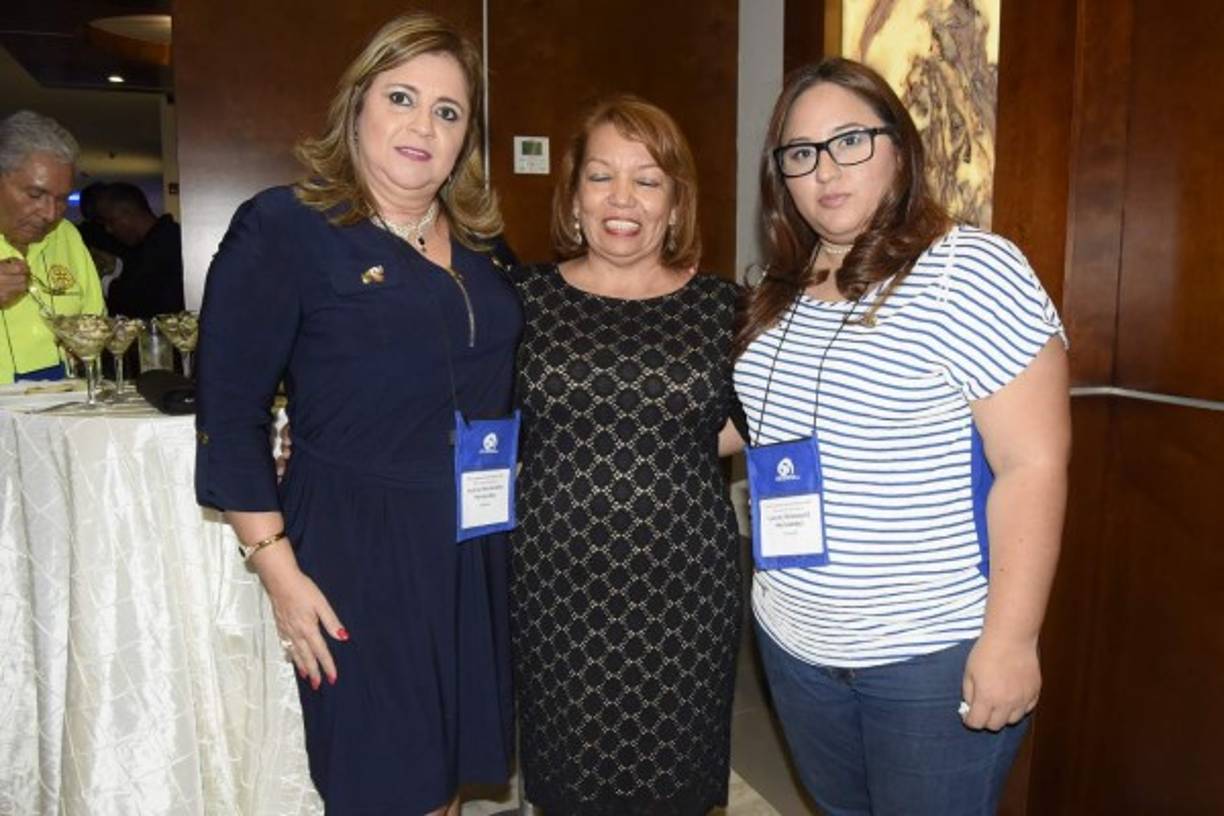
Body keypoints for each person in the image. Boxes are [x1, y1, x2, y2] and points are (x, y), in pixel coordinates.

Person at [193, 13, 517, 815]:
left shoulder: (483, 249)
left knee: (442, 776)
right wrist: (279, 572)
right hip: (357, 549)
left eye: (448, 112)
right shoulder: (287, 227)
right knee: (382, 780)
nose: (423, 125)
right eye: (401, 97)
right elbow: (227, 413)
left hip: (471, 543)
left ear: (466, 137)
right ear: (357, 107)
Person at [732, 57, 1070, 815]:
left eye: (850, 140)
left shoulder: (967, 270)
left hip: (928, 654)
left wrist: (1011, 641)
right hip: (794, 641)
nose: (825, 170)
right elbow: (755, 426)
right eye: (801, 153)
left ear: (900, 148)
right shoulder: (779, 289)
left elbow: (1033, 463)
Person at [510, 95, 744, 815]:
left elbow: (756, 423)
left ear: (676, 204)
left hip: (686, 592)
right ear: (574, 194)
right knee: (569, 780)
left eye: (648, 180)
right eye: (601, 176)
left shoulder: (724, 308)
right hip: (554, 589)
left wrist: (666, 442)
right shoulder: (520, 298)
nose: (622, 199)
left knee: (672, 783)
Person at [0, 110, 105, 383]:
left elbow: (95, 321)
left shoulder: (66, 235)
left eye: (61, 199)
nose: (49, 213)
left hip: (60, 403)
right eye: (35, 195)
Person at [93, 181, 185, 318]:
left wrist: (104, 281)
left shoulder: (167, 244)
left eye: (111, 221)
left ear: (128, 213)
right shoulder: (151, 243)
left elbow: (141, 301)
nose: (109, 229)